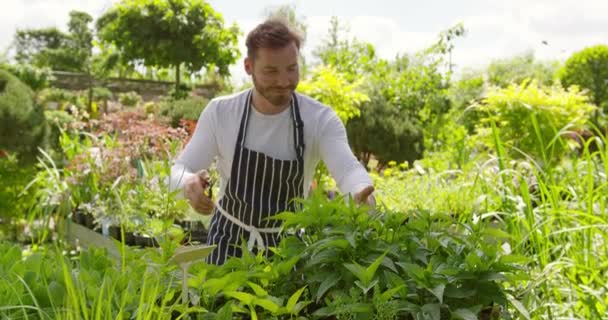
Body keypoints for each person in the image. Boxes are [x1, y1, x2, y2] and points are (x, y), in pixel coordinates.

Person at [170, 19, 375, 265]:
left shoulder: (319, 119)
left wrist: (360, 191)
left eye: (291, 68)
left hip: (288, 252)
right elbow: (178, 170)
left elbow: (348, 169)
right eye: (271, 71)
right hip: (227, 246)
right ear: (248, 66)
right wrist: (187, 183)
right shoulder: (222, 113)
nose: (283, 81)